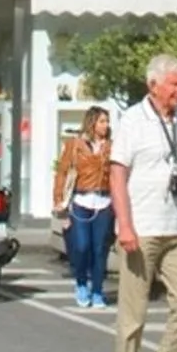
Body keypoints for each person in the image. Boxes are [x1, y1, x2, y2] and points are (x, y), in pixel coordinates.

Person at [109, 53, 177, 352]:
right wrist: (125, 225)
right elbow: (117, 175)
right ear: (153, 84)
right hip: (142, 229)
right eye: (175, 83)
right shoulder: (133, 120)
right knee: (133, 315)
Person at [54, 107, 115, 309]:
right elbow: (62, 173)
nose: (106, 125)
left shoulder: (112, 147)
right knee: (81, 246)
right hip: (81, 201)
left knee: (100, 250)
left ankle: (97, 290)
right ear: (92, 123)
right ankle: (81, 283)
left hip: (104, 202)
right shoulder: (75, 145)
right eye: (102, 121)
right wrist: (59, 202)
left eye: (107, 121)